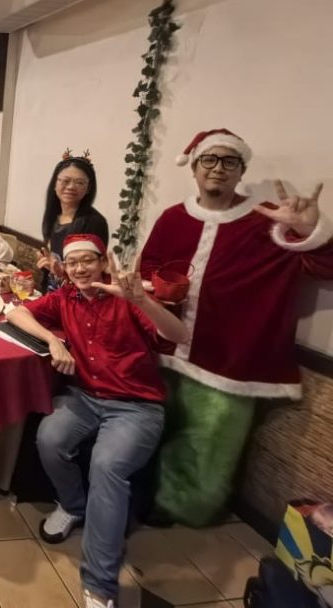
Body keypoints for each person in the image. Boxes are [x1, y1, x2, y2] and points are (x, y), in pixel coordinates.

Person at [139, 129, 333, 527]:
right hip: (167, 350)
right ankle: (147, 495)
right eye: (209, 160)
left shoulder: (266, 220)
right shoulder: (173, 218)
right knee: (159, 425)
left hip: (229, 360)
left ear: (241, 170)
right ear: (194, 168)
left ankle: (185, 509)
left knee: (211, 443)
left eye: (230, 161)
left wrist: (308, 230)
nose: (218, 168)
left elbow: (324, 267)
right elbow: (148, 267)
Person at [5, 234, 189, 608]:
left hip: (136, 406)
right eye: (73, 263)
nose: (80, 269)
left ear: (103, 263)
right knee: (49, 439)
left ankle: (100, 587)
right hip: (85, 397)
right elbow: (15, 313)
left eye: (88, 260)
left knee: (106, 466)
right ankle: (74, 505)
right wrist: (53, 341)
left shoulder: (127, 298)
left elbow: (179, 335)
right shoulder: (65, 297)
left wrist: (141, 299)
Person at [37, 153, 109, 292]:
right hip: (52, 293)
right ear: (55, 183)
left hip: (78, 297)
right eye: (65, 181)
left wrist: (62, 271)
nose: (71, 187)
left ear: (88, 188)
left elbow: (92, 274)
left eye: (79, 182)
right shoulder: (53, 216)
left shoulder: (94, 222)